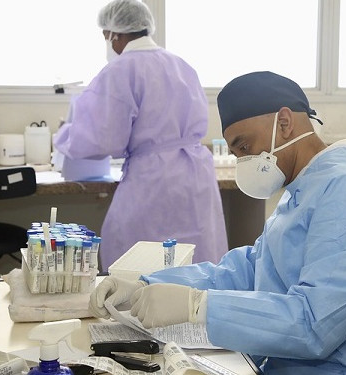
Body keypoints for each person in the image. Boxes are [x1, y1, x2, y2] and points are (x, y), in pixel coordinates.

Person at [90, 71, 346, 375]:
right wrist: (144, 284)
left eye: (246, 146)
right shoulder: (309, 184)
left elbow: (315, 323)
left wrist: (198, 307)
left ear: (284, 122)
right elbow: (253, 268)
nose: (244, 162)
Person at [53, 0, 228, 269]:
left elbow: (103, 138)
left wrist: (64, 135)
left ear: (115, 34)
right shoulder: (181, 65)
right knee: (195, 260)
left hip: (154, 179)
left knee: (140, 262)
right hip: (195, 175)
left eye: (105, 35)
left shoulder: (120, 70)